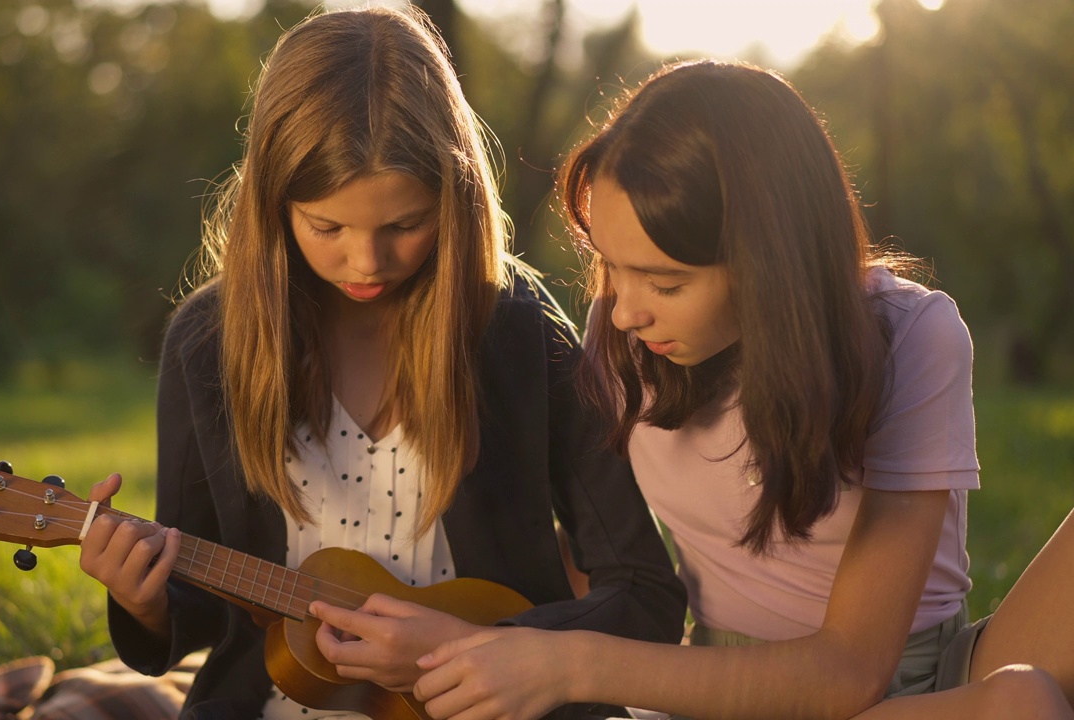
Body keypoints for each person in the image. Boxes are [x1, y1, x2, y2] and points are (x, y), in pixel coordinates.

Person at [407, 59, 1074, 719]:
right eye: (610, 267)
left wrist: (571, 665)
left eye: (665, 283)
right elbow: (597, 556)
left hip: (906, 677)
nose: (624, 312)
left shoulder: (909, 336)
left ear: (769, 263)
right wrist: (467, 628)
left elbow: (849, 672)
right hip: (729, 689)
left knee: (1016, 697)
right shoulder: (623, 338)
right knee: (1019, 705)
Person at [76, 7, 687, 720]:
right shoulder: (207, 343)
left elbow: (644, 591)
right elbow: (205, 611)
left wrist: (489, 648)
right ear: (273, 205)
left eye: (405, 224)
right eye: (327, 227)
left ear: (456, 200)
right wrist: (144, 598)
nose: (367, 261)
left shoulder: (517, 330)